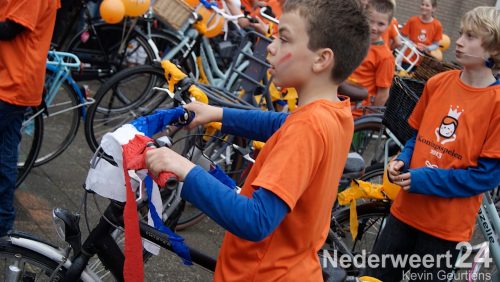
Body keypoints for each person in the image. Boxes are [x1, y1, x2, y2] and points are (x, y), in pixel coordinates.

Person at [146, 0, 370, 280]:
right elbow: (279, 123)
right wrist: (217, 113)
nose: (272, 47)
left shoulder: (308, 127)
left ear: (321, 59)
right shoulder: (334, 113)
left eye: (284, 39)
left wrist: (184, 169)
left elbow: (256, 220)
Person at [364, 6, 500, 281]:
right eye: (461, 33)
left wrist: (425, 179)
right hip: (404, 213)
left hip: (445, 230)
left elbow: (486, 176)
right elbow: (419, 137)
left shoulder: (496, 103)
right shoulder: (437, 83)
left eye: (471, 37)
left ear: (494, 50)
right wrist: (403, 158)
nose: (459, 41)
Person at [0, 0, 59, 237]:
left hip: (12, 82)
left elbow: (9, 30)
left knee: (5, 154)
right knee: (5, 153)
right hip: (12, 80)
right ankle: (3, 223)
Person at [350, 0, 396, 117]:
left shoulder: (385, 57)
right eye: (371, 21)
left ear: (388, 25)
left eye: (381, 24)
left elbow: (383, 93)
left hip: (357, 113)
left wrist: (369, 116)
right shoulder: (353, 40)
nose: (374, 28)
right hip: (336, 102)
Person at [400, 0, 443, 71]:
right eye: (422, 4)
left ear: (434, 9)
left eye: (427, 5)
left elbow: (436, 45)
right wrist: (411, 44)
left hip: (423, 62)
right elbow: (402, 37)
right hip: (407, 59)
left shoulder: (437, 25)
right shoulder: (412, 20)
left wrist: (426, 48)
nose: (424, 7)